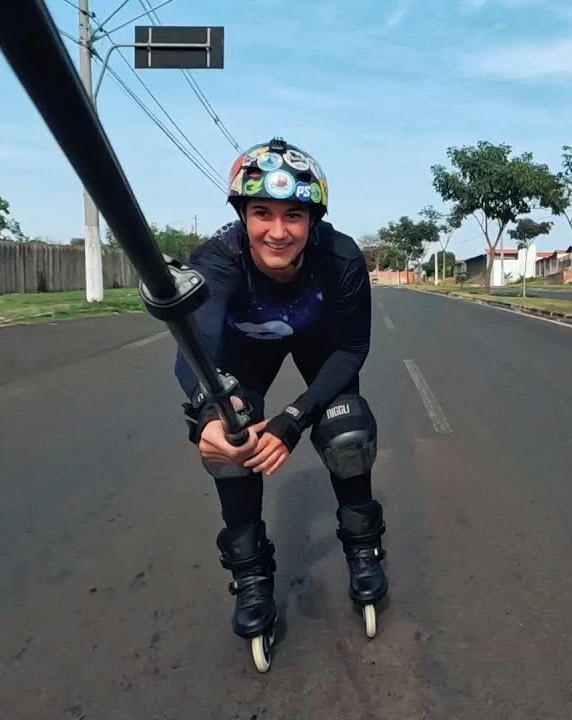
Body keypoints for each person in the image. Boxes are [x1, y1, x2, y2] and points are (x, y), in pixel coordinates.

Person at [173, 137, 387, 663]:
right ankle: (250, 577)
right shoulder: (218, 261)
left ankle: (363, 549)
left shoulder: (340, 259)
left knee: (347, 432)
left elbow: (354, 347)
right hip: (247, 349)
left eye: (294, 214)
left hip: (321, 345)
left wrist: (295, 419)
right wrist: (206, 414)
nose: (277, 230)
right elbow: (194, 346)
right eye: (261, 212)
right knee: (233, 435)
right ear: (242, 215)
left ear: (313, 220)